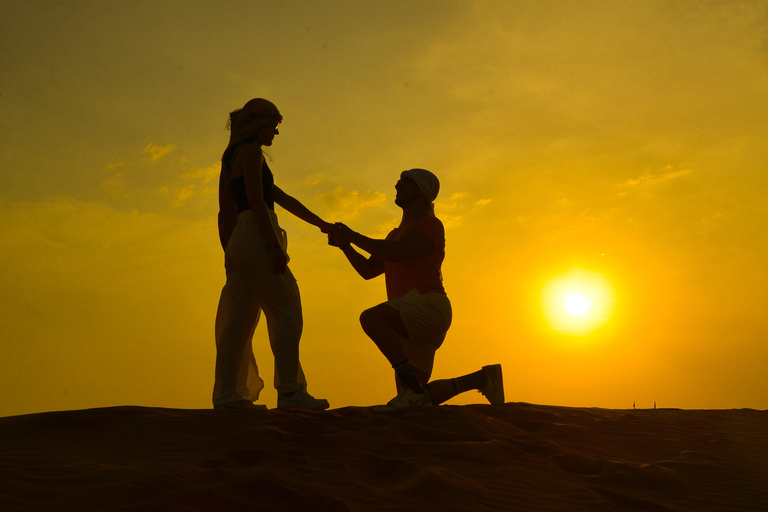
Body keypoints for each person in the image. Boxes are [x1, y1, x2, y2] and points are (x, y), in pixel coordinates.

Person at [329, 168, 504, 410]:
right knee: (413, 403)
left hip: (428, 306)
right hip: (409, 316)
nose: (397, 186)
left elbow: (398, 253)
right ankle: (480, 379)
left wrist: (353, 235)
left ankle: (412, 389)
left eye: (405, 182)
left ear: (422, 193)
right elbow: (369, 271)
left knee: (372, 318)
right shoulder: (394, 235)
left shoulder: (430, 224)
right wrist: (345, 245)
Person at [214, 98, 330, 410]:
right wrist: (271, 247)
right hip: (255, 233)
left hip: (242, 237)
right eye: (274, 126)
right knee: (287, 312)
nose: (276, 133)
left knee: (238, 321)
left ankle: (226, 394)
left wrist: (322, 224)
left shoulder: (235, 155)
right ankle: (291, 391)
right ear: (260, 124)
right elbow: (256, 202)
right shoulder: (251, 152)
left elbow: (279, 197)